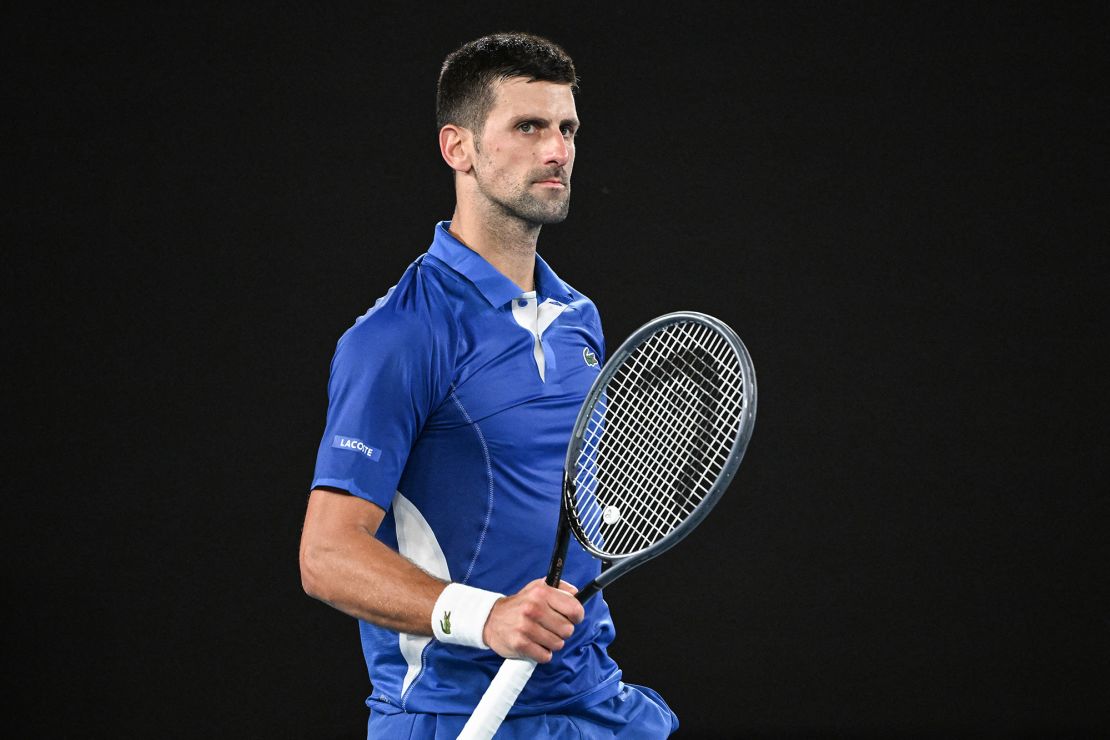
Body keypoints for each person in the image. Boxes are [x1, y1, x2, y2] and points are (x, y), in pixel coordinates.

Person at [299, 32, 679, 739]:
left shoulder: (579, 319)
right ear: (459, 148)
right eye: (528, 127)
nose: (557, 151)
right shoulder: (396, 337)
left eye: (567, 128)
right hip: (457, 714)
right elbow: (326, 556)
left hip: (590, 701)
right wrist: (487, 616)